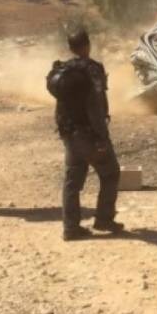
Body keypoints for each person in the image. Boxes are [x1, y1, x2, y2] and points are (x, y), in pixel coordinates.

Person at [49, 29, 122, 241]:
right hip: (88, 133)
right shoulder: (93, 70)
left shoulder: (62, 71)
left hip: (68, 132)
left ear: (70, 48)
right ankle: (104, 220)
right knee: (110, 173)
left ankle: (70, 228)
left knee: (72, 182)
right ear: (88, 45)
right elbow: (95, 107)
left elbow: (60, 105)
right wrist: (101, 137)